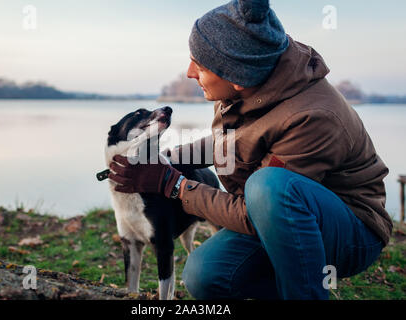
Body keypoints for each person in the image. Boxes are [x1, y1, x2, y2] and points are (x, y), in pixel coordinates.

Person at [108, 0, 392, 300]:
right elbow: (232, 144)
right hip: (281, 219)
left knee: (269, 184)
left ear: (236, 78)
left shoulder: (313, 118)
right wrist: (168, 159)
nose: (190, 72)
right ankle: (287, 283)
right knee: (204, 274)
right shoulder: (248, 83)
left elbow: (262, 205)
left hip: (350, 231)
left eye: (200, 65)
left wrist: (173, 184)